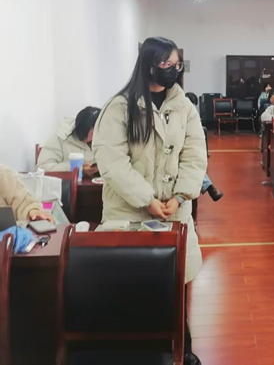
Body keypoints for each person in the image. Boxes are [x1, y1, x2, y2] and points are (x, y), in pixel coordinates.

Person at [92, 37, 206, 365]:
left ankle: (180, 349)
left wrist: (180, 195)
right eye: (167, 64)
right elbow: (112, 162)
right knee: (132, 286)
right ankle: (137, 350)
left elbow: (195, 155)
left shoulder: (184, 107)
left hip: (174, 211)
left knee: (175, 286)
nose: (173, 70)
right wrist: (147, 199)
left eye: (177, 65)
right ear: (149, 64)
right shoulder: (119, 107)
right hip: (129, 211)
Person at [37, 106, 101, 178]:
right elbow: (43, 167)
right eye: (86, 135)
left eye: (95, 134)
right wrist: (76, 168)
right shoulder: (61, 137)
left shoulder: (107, 137)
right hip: (68, 184)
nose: (90, 139)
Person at [185, 92, 222, 202]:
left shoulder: (192, 112)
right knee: (192, 166)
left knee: (194, 164)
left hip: (187, 147)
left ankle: (210, 188)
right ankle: (210, 188)